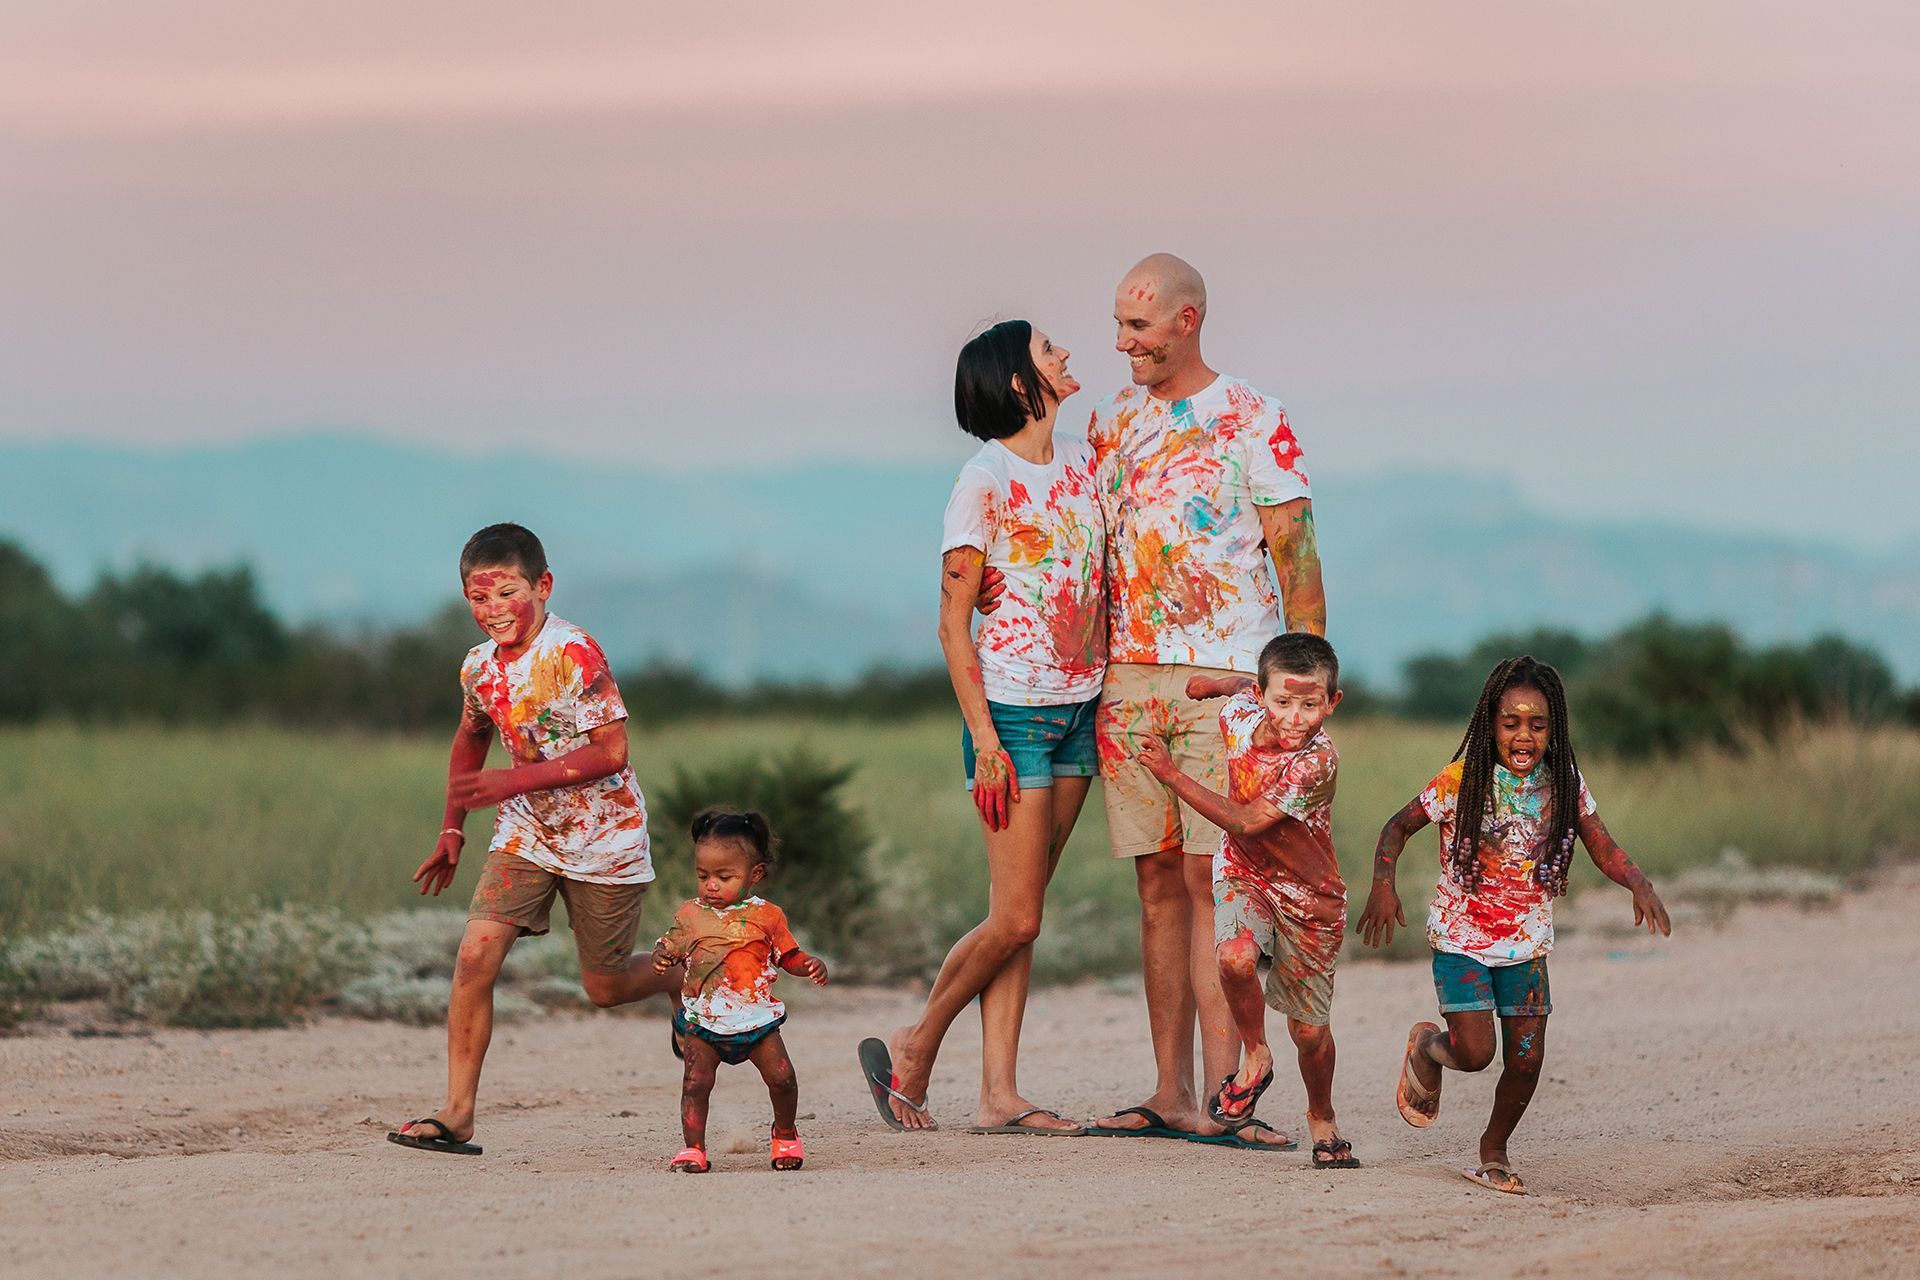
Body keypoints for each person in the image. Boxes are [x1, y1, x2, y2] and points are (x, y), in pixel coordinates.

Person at [1069, 253, 1327, 1146]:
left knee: (1218, 880)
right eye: (1118, 325)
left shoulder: (1255, 417)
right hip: (1131, 682)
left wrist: (1306, 682)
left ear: (1187, 320)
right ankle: (1168, 1093)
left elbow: (1295, 553)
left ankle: (1229, 1097)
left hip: (1230, 679)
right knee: (1154, 887)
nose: (1121, 342)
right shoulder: (1109, 422)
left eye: (1137, 326)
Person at [858, 319, 1102, 1136]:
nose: (1065, 354)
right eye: (1047, 349)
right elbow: (951, 624)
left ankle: (999, 1093)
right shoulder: (982, 481)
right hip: (1012, 717)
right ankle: (915, 1047)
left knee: (1019, 910)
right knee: (1019, 918)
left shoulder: (1085, 462)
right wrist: (988, 742)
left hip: (1081, 709)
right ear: (1015, 380)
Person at [388, 522, 679, 1156]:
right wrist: (451, 828)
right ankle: (458, 1113)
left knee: (605, 988)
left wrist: (511, 778)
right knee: (473, 957)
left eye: (507, 592)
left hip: (606, 837)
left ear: (543, 586)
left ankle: (679, 978)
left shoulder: (574, 652)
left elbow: (612, 750)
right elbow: (470, 740)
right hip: (525, 834)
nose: (493, 610)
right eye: (479, 597)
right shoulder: (478, 668)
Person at [1358, 655, 1672, 1194]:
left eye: (1538, 724)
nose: (1524, 735)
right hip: (1462, 939)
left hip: (1525, 945)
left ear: (1555, 729)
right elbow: (1397, 826)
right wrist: (1382, 886)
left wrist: (1638, 881)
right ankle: (1428, 1049)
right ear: (1490, 724)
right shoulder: (1462, 779)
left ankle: (1493, 1150)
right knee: (1477, 1054)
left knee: (1527, 1062)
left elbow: (1600, 843)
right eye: (1511, 723)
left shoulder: (1564, 781)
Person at [1135, 632, 1359, 1166]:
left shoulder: (1317, 762)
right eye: (1282, 701)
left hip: (1310, 899)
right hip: (1244, 873)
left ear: (1333, 703)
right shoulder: (1240, 711)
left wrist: (1170, 773)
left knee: (1309, 1032)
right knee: (1233, 956)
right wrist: (1212, 683)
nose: (1294, 718)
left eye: (1311, 705)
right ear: (1262, 696)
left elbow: (1246, 820)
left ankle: (1321, 1116)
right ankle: (1255, 1055)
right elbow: (1241, 686)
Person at [651, 809, 828, 1173]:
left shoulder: (768, 916)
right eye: (703, 875)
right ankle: (694, 1149)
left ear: (755, 874)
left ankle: (784, 1134)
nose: (711, 885)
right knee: (695, 1084)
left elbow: (787, 955)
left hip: (757, 1021)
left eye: (724, 876)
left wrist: (808, 964)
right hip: (705, 1021)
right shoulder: (691, 914)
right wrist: (662, 957)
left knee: (782, 1078)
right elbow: (671, 944)